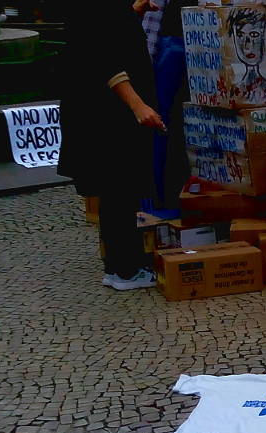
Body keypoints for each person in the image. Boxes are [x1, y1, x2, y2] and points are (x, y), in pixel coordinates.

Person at [58, 0, 164, 291]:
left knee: (118, 190)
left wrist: (133, 13)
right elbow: (104, 56)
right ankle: (124, 270)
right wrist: (137, 104)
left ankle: (121, 264)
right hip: (109, 110)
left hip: (104, 106)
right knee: (119, 187)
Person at [150, 0, 198, 218]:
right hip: (174, 50)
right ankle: (167, 204)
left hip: (189, 48)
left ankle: (174, 203)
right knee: (166, 128)